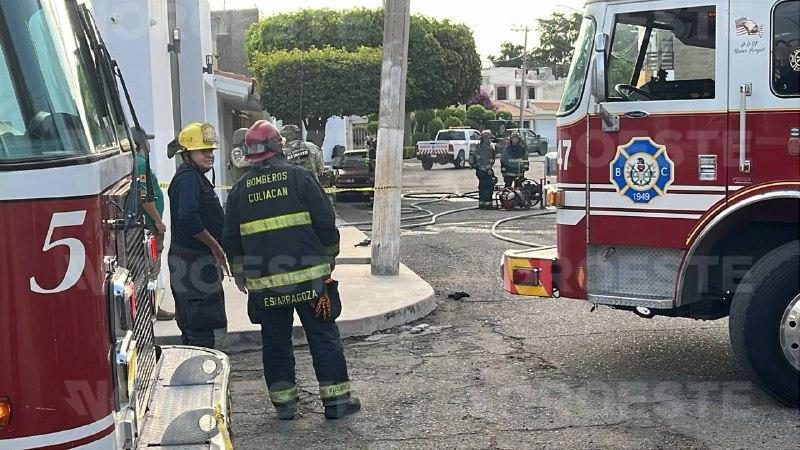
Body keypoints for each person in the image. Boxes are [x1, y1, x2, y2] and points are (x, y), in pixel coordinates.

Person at [222, 120, 361, 421]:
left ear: (250, 155)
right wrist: (330, 256)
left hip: (266, 287)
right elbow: (326, 222)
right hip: (310, 281)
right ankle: (336, 403)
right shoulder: (301, 178)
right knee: (323, 336)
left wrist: (241, 273)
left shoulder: (239, 191)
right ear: (278, 148)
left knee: (275, 343)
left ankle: (285, 405)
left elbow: (231, 239)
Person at [166, 122, 228, 349]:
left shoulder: (194, 177)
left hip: (196, 263)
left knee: (206, 324)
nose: (210, 155)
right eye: (204, 150)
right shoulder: (188, 179)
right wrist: (216, 248)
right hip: (192, 266)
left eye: (211, 150)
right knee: (202, 329)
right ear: (187, 154)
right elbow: (189, 219)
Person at [130, 127, 175, 320]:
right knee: (151, 270)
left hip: (149, 225)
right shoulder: (140, 164)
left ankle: (151, 307)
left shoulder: (138, 163)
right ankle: (151, 309)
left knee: (149, 270)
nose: (149, 145)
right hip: (150, 226)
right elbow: (144, 196)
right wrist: (158, 221)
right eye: (146, 141)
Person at [474, 130, 496, 209]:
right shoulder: (485, 148)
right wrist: (488, 170)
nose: (490, 140)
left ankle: (482, 204)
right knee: (488, 188)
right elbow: (485, 160)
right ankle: (487, 205)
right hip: (485, 171)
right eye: (489, 138)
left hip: (480, 171)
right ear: (486, 139)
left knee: (482, 187)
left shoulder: (480, 147)